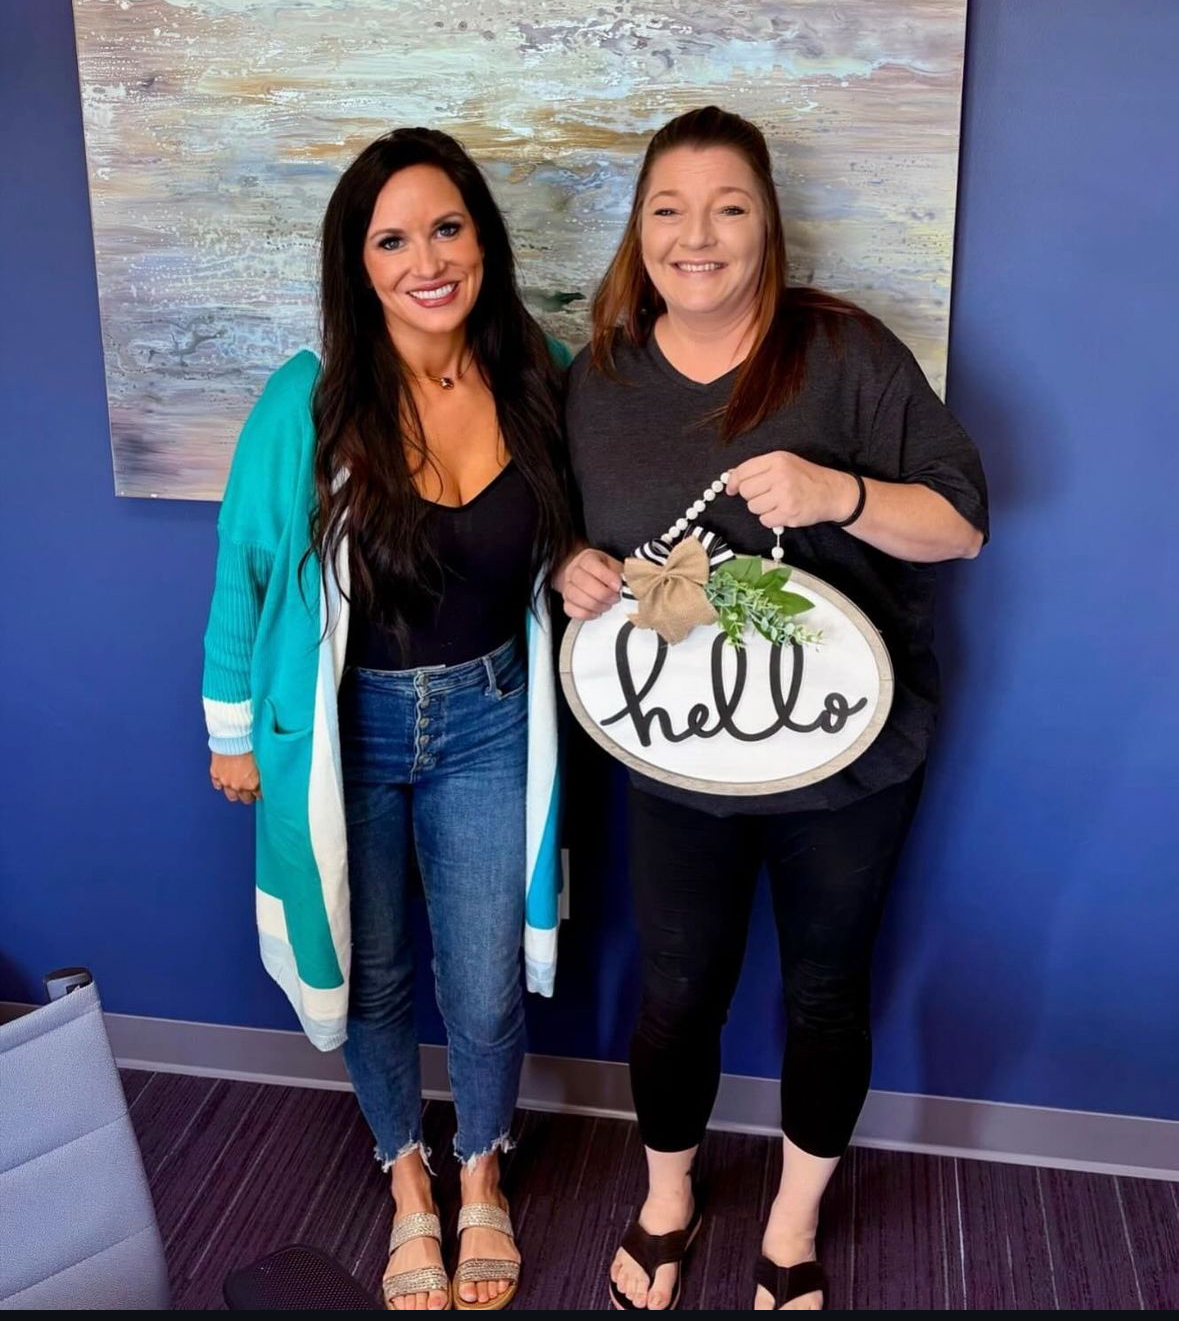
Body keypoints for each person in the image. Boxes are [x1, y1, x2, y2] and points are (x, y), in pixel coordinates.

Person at [557, 106, 988, 1311]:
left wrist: (838, 488)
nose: (698, 236)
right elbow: (563, 536)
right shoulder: (599, 377)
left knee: (824, 988)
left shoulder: (844, 352)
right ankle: (667, 1200)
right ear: (638, 230)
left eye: (729, 207)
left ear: (769, 225)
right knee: (676, 987)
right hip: (681, 759)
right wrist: (567, 569)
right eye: (669, 209)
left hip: (850, 763)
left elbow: (960, 524)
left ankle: (793, 1227)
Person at [203, 127, 575, 1311]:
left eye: (449, 226)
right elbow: (247, 568)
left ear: (482, 238)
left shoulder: (539, 369)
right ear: (358, 262)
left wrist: (583, 568)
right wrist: (225, 731)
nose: (429, 258)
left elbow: (570, 534)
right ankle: (405, 1178)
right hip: (342, 733)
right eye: (394, 237)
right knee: (371, 977)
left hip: (492, 721)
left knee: (486, 984)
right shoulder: (304, 399)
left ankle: (480, 1177)